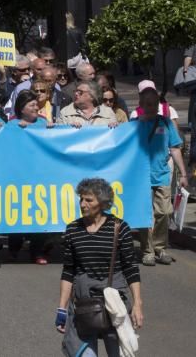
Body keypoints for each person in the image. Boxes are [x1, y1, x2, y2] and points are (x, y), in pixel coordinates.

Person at [56, 178, 142, 356]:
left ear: (103, 203)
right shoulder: (73, 230)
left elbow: (131, 269)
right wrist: (62, 309)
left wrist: (137, 305)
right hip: (83, 303)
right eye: (81, 199)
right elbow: (68, 271)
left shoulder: (119, 228)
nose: (83, 204)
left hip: (113, 304)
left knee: (117, 352)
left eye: (89, 200)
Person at [132, 85, 188, 266]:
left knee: (164, 212)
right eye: (147, 104)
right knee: (146, 214)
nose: (151, 107)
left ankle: (160, 247)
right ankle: (147, 250)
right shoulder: (135, 125)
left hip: (162, 174)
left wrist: (183, 173)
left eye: (155, 104)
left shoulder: (166, 123)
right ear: (141, 104)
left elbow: (174, 148)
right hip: (141, 177)